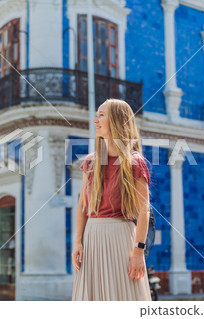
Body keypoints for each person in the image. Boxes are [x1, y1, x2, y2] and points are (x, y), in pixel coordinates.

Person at [72, 99, 152, 301]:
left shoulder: (134, 163)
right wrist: (78, 242)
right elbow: (83, 206)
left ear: (116, 120)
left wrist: (138, 252)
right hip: (92, 239)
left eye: (101, 115)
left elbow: (144, 211)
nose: (95, 120)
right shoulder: (90, 162)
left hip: (121, 239)